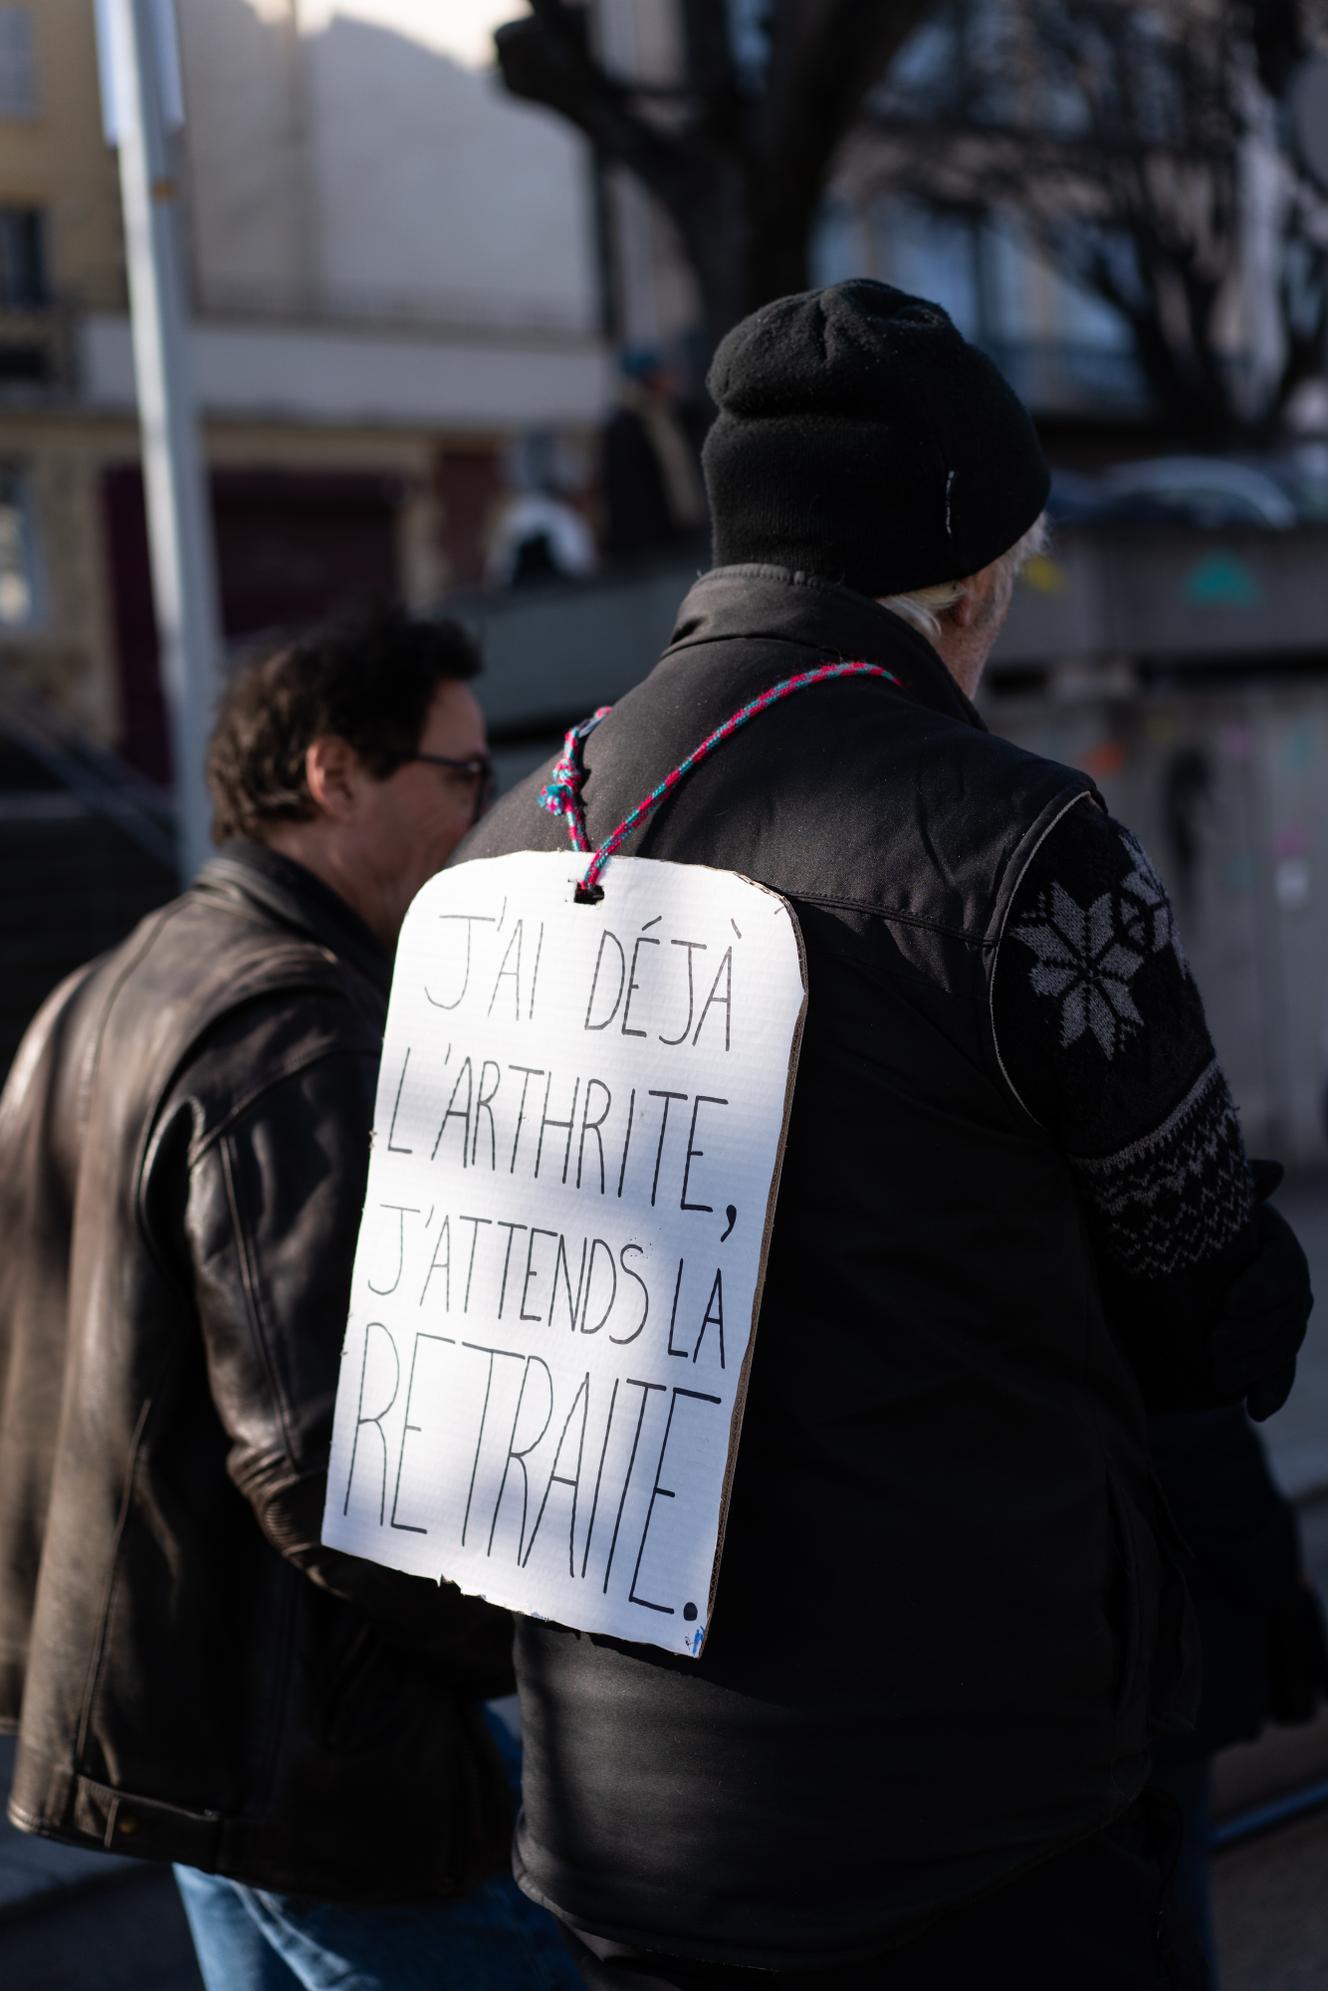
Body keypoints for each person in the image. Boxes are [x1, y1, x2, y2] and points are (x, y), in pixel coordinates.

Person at [456, 282, 1313, 1989]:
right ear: (976, 581)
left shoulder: (503, 843)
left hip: (622, 1825)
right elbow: (1229, 1309)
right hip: (969, 1814)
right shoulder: (1011, 843)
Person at [0, 608, 579, 1990]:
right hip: (309, 1755)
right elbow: (328, 1455)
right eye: (453, 774)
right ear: (334, 775)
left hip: (165, 1724)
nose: (473, 811)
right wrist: (518, 1646)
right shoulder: (293, 1034)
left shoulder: (95, 994)